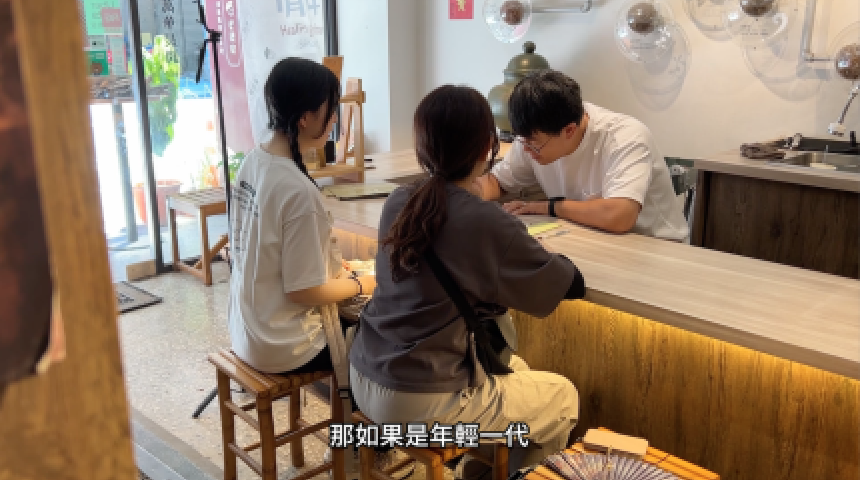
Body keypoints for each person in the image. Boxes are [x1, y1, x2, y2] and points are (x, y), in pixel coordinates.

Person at [349, 85, 586, 477]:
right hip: (420, 400)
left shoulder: (398, 201)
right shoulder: (487, 221)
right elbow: (568, 283)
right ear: (487, 146)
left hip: (365, 375)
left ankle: (477, 471)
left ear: (422, 145)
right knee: (562, 398)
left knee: (518, 370)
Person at [476, 70, 689, 241]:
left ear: (569, 130)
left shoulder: (626, 137)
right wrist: (460, 198)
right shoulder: (535, 135)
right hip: (592, 237)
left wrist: (548, 207)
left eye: (534, 145)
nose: (525, 150)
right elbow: (496, 182)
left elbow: (619, 215)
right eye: (521, 140)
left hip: (657, 247)